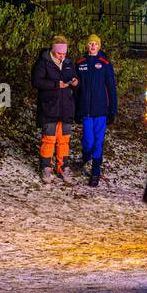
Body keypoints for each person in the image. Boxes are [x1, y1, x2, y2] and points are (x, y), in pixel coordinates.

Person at [31, 34, 79, 184]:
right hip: (49, 107)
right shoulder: (43, 62)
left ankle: (63, 167)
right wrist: (55, 85)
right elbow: (36, 81)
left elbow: (75, 79)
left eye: (64, 54)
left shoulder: (69, 62)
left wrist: (76, 83)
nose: (62, 56)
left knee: (64, 140)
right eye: (59, 54)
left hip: (66, 108)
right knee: (49, 139)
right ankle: (46, 167)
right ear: (53, 51)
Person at [75, 34, 118, 188]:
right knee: (87, 139)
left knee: (98, 141)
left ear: (99, 46)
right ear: (87, 46)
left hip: (101, 110)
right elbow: (77, 89)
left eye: (95, 44)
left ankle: (95, 171)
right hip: (86, 109)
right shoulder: (80, 63)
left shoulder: (105, 64)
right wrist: (76, 110)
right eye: (90, 44)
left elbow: (111, 88)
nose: (93, 46)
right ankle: (86, 155)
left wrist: (112, 110)